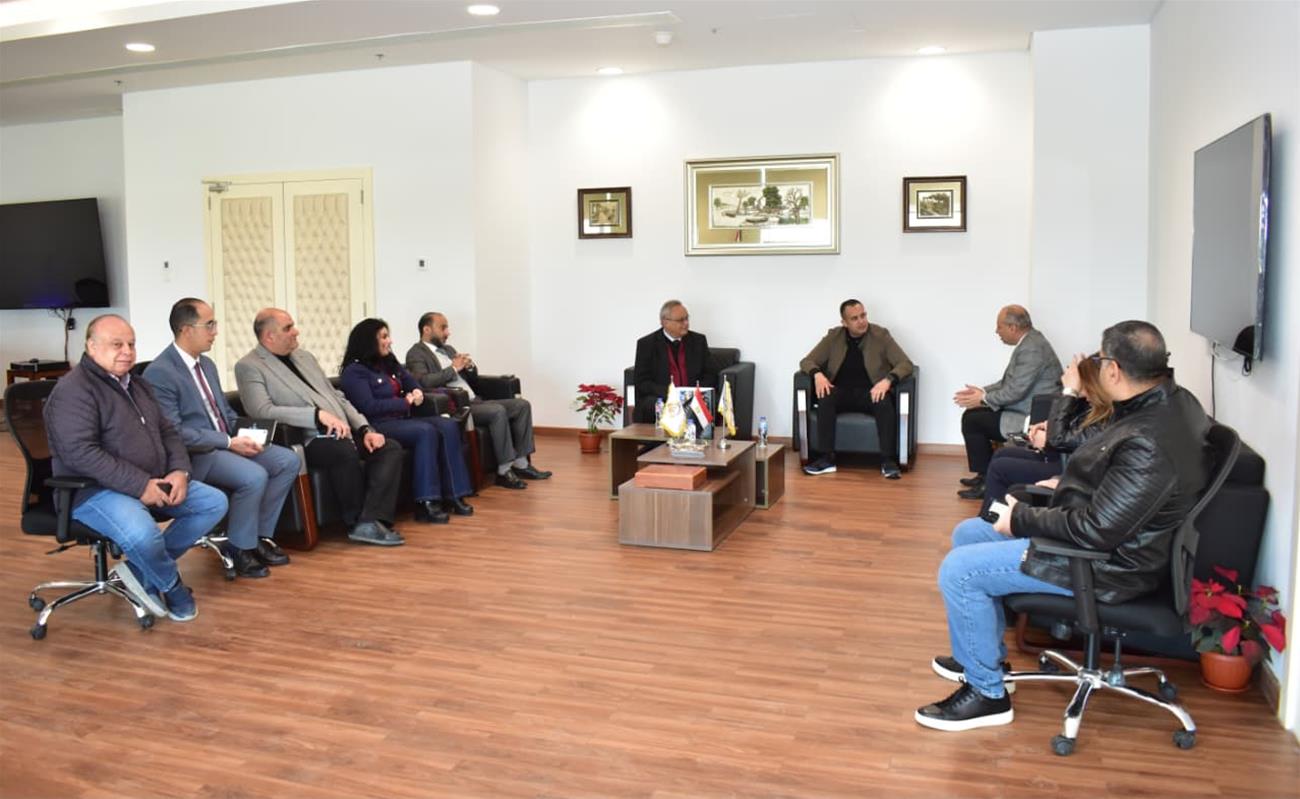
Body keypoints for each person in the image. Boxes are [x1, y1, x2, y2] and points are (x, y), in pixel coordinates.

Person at [916, 321, 1212, 732]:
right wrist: (1067, 486)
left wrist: (1021, 518)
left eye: (1100, 359)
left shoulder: (1148, 439)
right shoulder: (1167, 404)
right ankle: (984, 661)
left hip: (1103, 565)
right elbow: (1110, 476)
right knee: (968, 534)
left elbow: (1097, 530)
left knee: (959, 571)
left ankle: (987, 694)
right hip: (1110, 542)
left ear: (1114, 370)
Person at [44, 314, 228, 622]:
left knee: (213, 503)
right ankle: (171, 586)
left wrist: (179, 471)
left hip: (150, 480)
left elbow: (168, 432)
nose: (127, 352)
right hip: (93, 491)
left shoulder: (138, 384)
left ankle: (138, 571)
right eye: (117, 344)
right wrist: (140, 485)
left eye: (131, 344)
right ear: (91, 346)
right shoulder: (73, 390)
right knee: (144, 535)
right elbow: (80, 453)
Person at [144, 298, 300, 578]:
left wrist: (248, 434)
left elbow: (224, 413)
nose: (215, 331)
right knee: (253, 476)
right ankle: (239, 548)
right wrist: (228, 442)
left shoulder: (207, 365)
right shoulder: (160, 372)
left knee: (287, 461)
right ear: (186, 329)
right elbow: (175, 432)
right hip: (197, 455)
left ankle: (259, 537)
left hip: (225, 444)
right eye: (209, 325)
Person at [234, 308, 406, 547]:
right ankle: (355, 520)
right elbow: (261, 410)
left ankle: (369, 520)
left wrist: (365, 429)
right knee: (341, 450)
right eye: (288, 328)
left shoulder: (304, 357)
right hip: (306, 438)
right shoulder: (249, 366)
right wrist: (315, 416)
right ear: (269, 336)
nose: (296, 331)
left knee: (388, 447)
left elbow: (337, 397)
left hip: (342, 431)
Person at [342, 318, 475, 523]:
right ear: (369, 341)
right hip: (379, 424)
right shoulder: (354, 371)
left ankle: (455, 494)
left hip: (404, 419)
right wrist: (404, 402)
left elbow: (410, 380)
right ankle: (426, 502)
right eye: (384, 337)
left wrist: (416, 391)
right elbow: (368, 406)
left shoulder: (388, 362)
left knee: (448, 425)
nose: (390, 341)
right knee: (425, 431)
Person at [405, 311, 551, 490]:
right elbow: (423, 382)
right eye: (443, 328)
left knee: (522, 405)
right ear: (427, 330)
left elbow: (472, 379)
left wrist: (469, 366)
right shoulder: (416, 353)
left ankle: (521, 464)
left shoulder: (448, 350)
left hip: (476, 400)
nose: (448, 332)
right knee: (497, 411)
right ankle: (504, 471)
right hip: (458, 405)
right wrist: (454, 368)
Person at [977, 353, 1114, 518]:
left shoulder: (1109, 414)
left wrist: (1069, 393)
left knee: (1001, 468)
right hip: (1065, 459)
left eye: (1085, 385)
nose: (1083, 393)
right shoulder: (1093, 406)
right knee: (1001, 454)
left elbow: (1061, 440)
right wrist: (1048, 426)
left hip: (1069, 466)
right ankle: (991, 518)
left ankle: (988, 521)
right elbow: (1072, 430)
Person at [953, 305, 1063, 499]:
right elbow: (1007, 383)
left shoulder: (1032, 349)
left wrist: (983, 399)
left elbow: (1015, 392)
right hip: (1024, 408)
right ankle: (983, 476)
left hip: (1032, 417)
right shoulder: (1030, 341)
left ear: (1013, 327)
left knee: (973, 420)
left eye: (999, 327)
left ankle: (986, 481)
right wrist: (983, 392)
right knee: (972, 416)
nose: (997, 331)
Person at [798, 299, 914, 479]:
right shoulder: (834, 337)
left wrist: (887, 381)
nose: (861, 321)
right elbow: (806, 361)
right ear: (844, 323)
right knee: (825, 398)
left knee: (884, 401)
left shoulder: (880, 335)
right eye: (854, 318)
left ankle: (888, 460)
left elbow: (905, 364)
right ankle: (826, 459)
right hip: (841, 391)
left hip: (871, 392)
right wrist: (817, 374)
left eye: (863, 315)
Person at [632, 300, 717, 424]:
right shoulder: (647, 344)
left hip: (693, 396)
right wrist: (670, 394)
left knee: (708, 401)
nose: (686, 323)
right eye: (681, 320)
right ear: (665, 322)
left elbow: (710, 373)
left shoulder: (698, 341)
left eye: (687, 318)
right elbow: (642, 381)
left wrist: (694, 392)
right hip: (662, 396)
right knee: (650, 404)